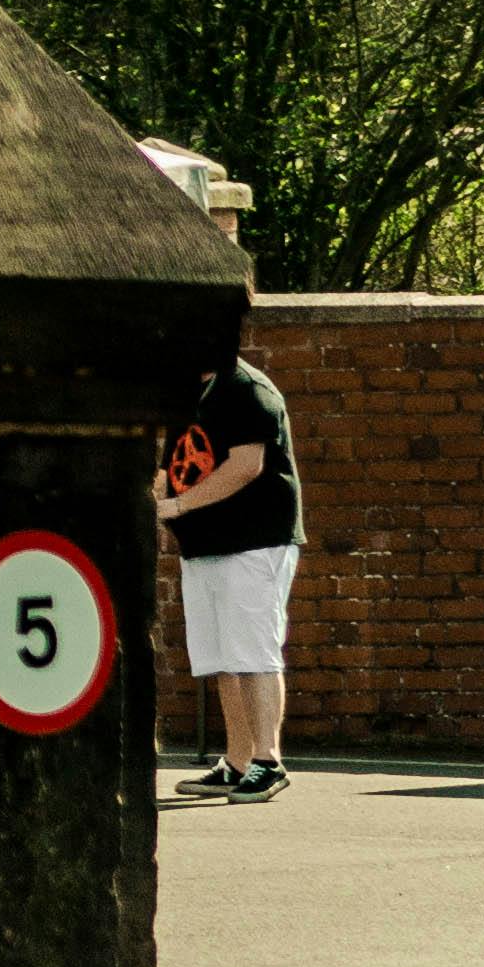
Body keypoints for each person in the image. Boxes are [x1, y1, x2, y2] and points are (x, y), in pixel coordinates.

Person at [157, 319, 304, 801]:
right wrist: (151, 505)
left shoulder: (248, 389)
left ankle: (269, 760)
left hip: (254, 542)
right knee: (223, 657)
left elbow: (246, 465)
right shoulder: (187, 395)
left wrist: (178, 506)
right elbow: (170, 470)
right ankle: (238, 760)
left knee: (255, 654)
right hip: (205, 545)